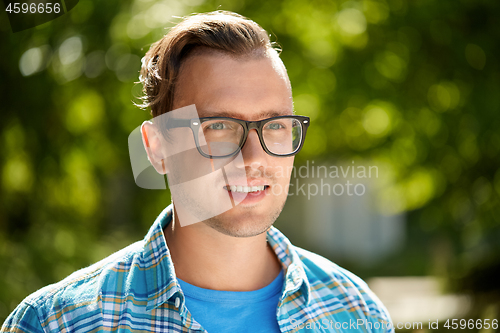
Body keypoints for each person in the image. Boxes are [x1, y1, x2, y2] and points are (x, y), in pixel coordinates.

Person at [1, 11, 394, 333]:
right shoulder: (59, 323)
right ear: (158, 148)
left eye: (274, 125)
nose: (253, 157)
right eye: (219, 127)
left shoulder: (356, 312)